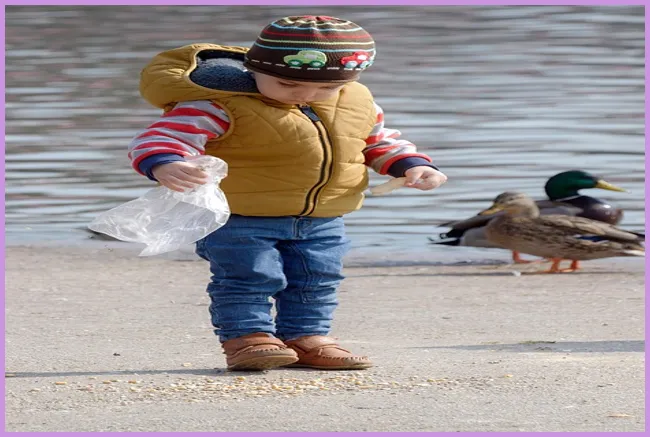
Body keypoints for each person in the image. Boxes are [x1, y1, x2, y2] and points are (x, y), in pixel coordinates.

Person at [128, 15, 447, 371]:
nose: (306, 94)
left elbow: (376, 142)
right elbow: (162, 136)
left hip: (322, 216)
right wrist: (164, 162)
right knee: (248, 277)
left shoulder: (357, 103)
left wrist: (411, 165)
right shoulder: (221, 103)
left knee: (317, 278)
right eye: (288, 83)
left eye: (327, 88)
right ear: (255, 69)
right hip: (240, 216)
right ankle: (248, 339)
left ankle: (306, 337)